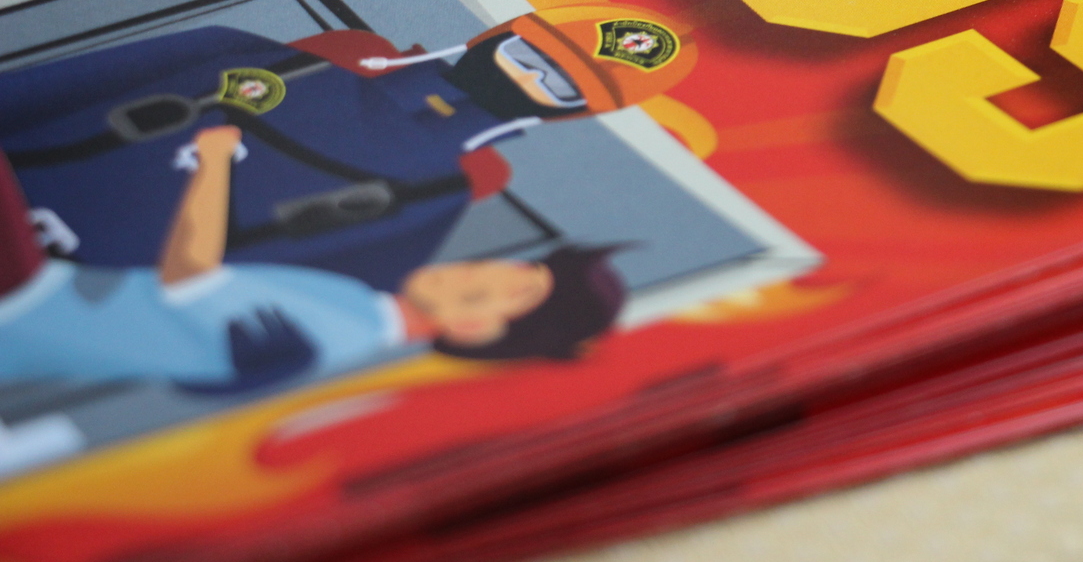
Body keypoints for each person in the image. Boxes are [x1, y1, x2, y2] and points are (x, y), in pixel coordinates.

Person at [0, 3, 693, 293]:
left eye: (556, 86)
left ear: (571, 113)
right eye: (528, 57)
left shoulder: (431, 196)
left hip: (52, 290)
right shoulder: (262, 57)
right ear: (498, 36)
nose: (528, 80)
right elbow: (43, 89)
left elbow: (300, 302)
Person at [0, 128, 625, 393]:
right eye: (514, 267)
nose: (485, 270)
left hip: (31, 303)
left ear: (478, 330)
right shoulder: (354, 312)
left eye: (514, 290)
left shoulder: (342, 329)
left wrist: (214, 160)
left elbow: (189, 277)